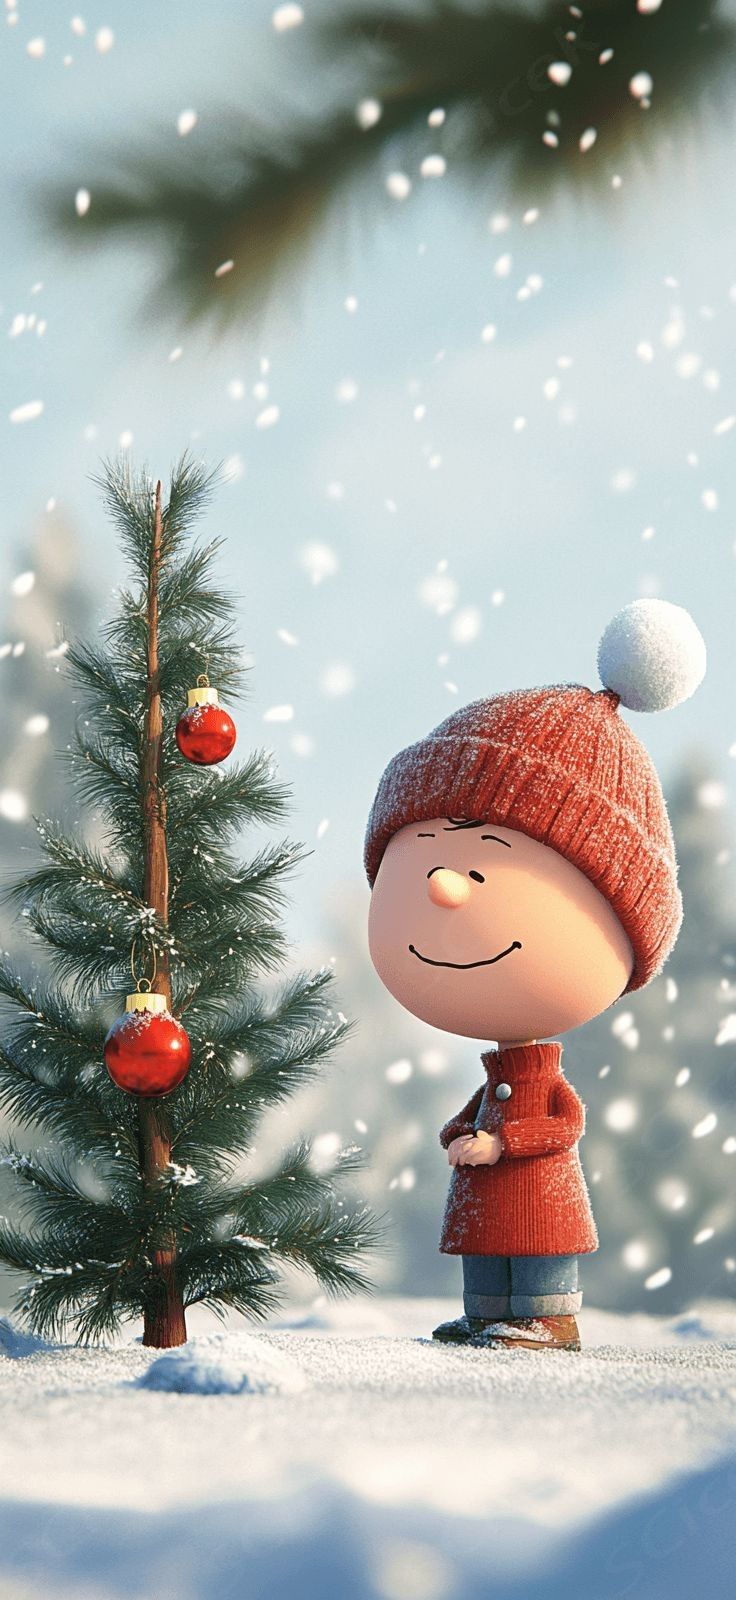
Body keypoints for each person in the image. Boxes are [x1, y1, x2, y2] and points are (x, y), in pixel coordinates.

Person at [364, 599, 706, 1350]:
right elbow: (483, 1109)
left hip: (533, 1189)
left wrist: (499, 1145)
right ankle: (489, 1313)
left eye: (485, 856)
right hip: (490, 1186)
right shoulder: (493, 1079)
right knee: (489, 1255)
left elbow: (563, 1122)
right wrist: (463, 1128)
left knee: (536, 1250)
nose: (443, 889)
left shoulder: (543, 1078)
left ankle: (545, 1316)